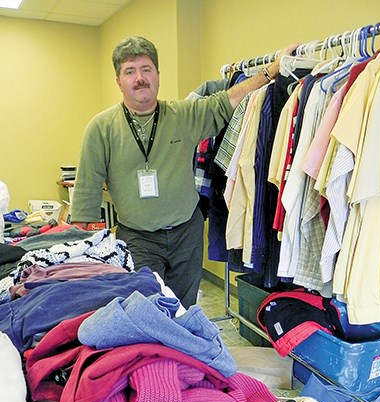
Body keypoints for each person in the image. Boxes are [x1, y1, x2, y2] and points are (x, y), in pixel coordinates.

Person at [71, 36, 298, 308]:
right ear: (119, 81)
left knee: (183, 308)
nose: (139, 78)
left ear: (157, 74)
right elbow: (86, 190)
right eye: (130, 71)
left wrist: (270, 71)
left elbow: (226, 101)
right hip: (138, 239)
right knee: (145, 310)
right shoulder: (101, 127)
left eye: (146, 69)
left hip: (186, 235)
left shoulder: (182, 115)